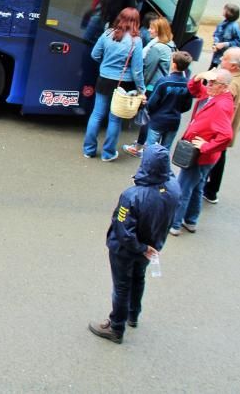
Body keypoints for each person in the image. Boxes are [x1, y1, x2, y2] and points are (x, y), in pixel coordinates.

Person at [88, 144, 181, 344]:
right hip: (152, 245)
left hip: (126, 250)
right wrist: (147, 248)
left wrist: (139, 247)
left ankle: (116, 327)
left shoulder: (132, 196)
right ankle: (133, 314)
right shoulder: (173, 188)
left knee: (121, 286)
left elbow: (123, 230)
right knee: (138, 278)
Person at [169, 68, 234, 236]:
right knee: (197, 187)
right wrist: (199, 77)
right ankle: (190, 220)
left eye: (214, 83)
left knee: (183, 188)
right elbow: (194, 89)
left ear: (224, 86)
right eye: (209, 81)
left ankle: (175, 223)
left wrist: (205, 146)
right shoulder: (214, 96)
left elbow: (226, 135)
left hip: (201, 156)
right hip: (203, 156)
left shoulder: (221, 105)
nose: (209, 85)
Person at [83, 7, 145, 162]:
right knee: (114, 118)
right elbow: (137, 70)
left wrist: (105, 65)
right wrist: (141, 89)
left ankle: (89, 150)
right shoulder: (135, 41)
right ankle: (108, 153)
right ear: (135, 22)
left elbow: (94, 54)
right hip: (124, 84)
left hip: (104, 79)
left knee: (97, 114)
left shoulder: (108, 34)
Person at [203, 47, 240, 204]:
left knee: (214, 157)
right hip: (233, 124)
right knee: (220, 156)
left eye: (224, 58)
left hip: (220, 128)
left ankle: (210, 189)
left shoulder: (230, 85)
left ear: (234, 66)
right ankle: (212, 189)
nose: (221, 60)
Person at [123, 17, 177, 157]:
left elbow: (148, 69)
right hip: (162, 85)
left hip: (153, 86)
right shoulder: (170, 45)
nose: (149, 30)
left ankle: (139, 147)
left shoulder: (157, 48)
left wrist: (142, 89)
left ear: (158, 30)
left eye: (152, 28)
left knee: (146, 117)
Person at [209, 3, 240, 68]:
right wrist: (215, 45)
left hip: (228, 56)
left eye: (225, 9)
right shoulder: (221, 24)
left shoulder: (234, 27)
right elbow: (217, 35)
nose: (223, 10)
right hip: (218, 53)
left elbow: (239, 43)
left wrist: (224, 44)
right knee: (212, 68)